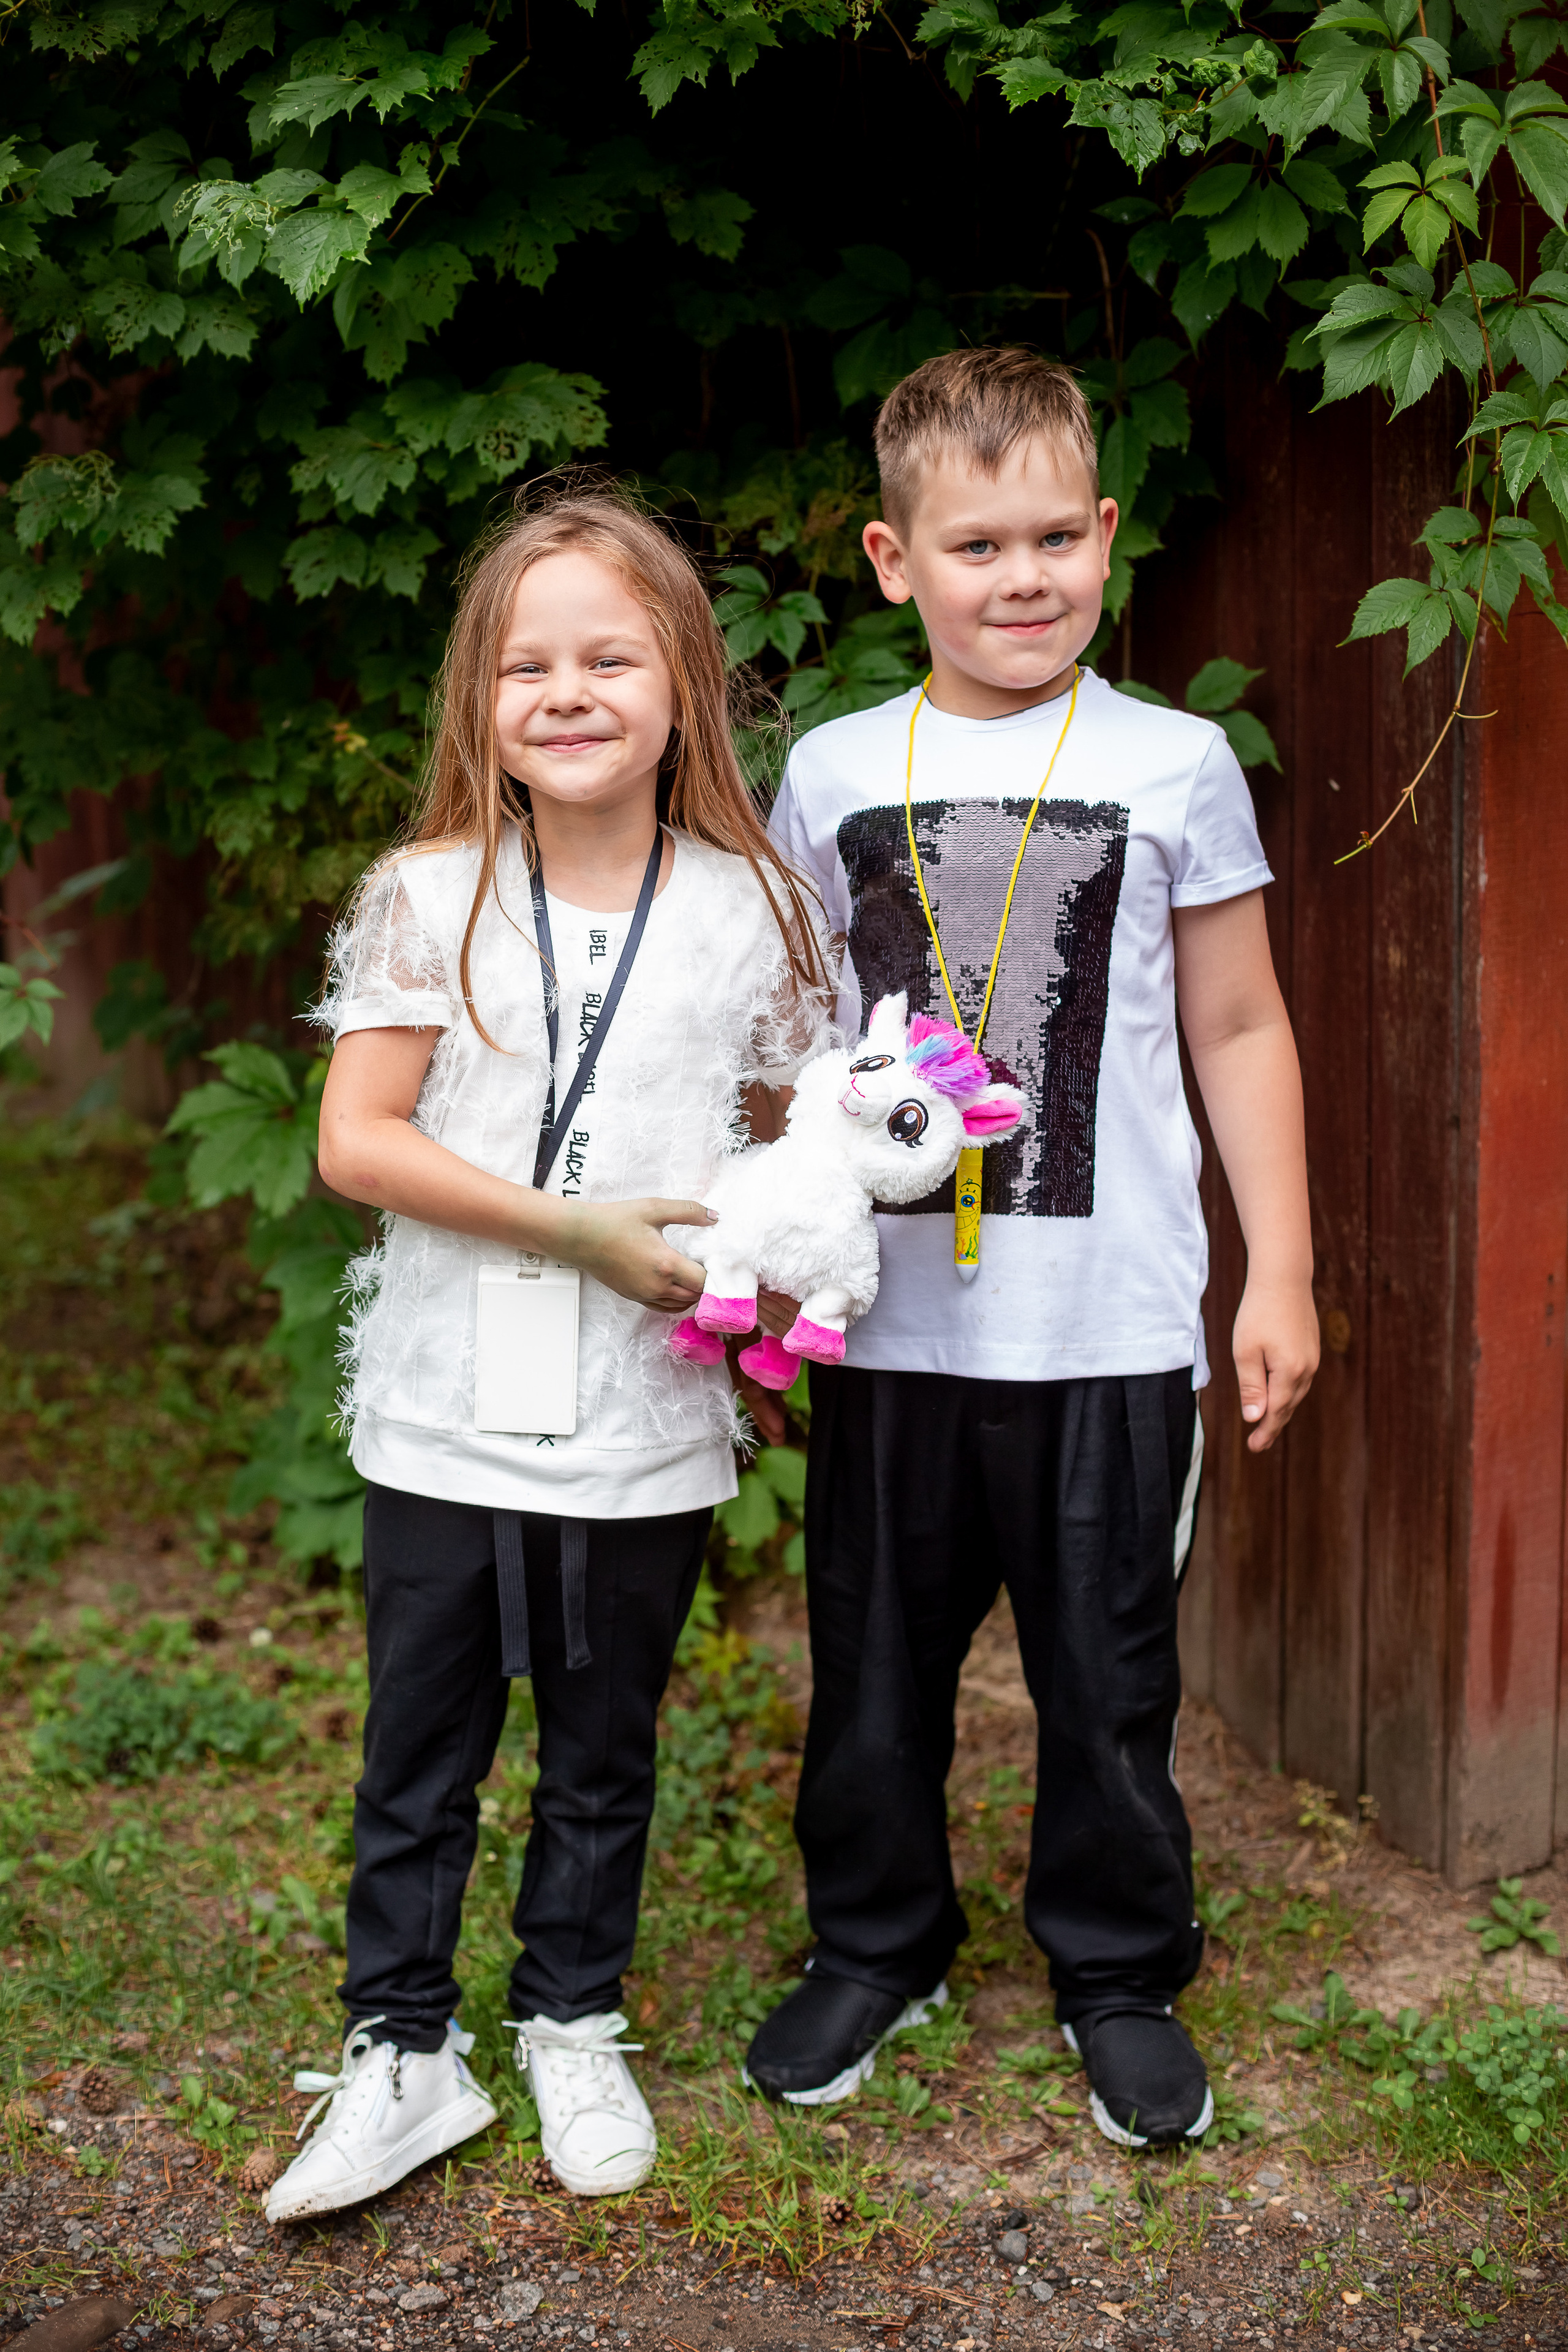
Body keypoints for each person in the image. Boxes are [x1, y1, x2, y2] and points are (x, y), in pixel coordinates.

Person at [744, 347, 1319, 2149]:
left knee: (1109, 1670)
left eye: (1056, 536)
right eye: (976, 542)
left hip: (1111, 1323)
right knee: (875, 1660)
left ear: (1108, 536)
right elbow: (790, 1042)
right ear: (893, 559)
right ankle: (877, 1939)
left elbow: (1238, 1028)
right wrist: (766, 1270)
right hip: (893, 1332)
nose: (1023, 577)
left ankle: (1120, 1969)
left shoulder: (1173, 761)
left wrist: (1282, 1270)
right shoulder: (837, 770)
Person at [263, 488, 830, 2223]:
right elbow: (357, 1143)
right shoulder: (429, 894)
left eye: (610, 655)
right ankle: (402, 2049)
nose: (568, 690)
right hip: (443, 1409)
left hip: (643, 1419)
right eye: (529, 663)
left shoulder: (756, 908)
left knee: (605, 1738)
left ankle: (573, 2018)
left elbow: (782, 1149)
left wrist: (784, 1269)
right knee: (417, 1745)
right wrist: (575, 1231)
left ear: (685, 683)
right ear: (479, 700)